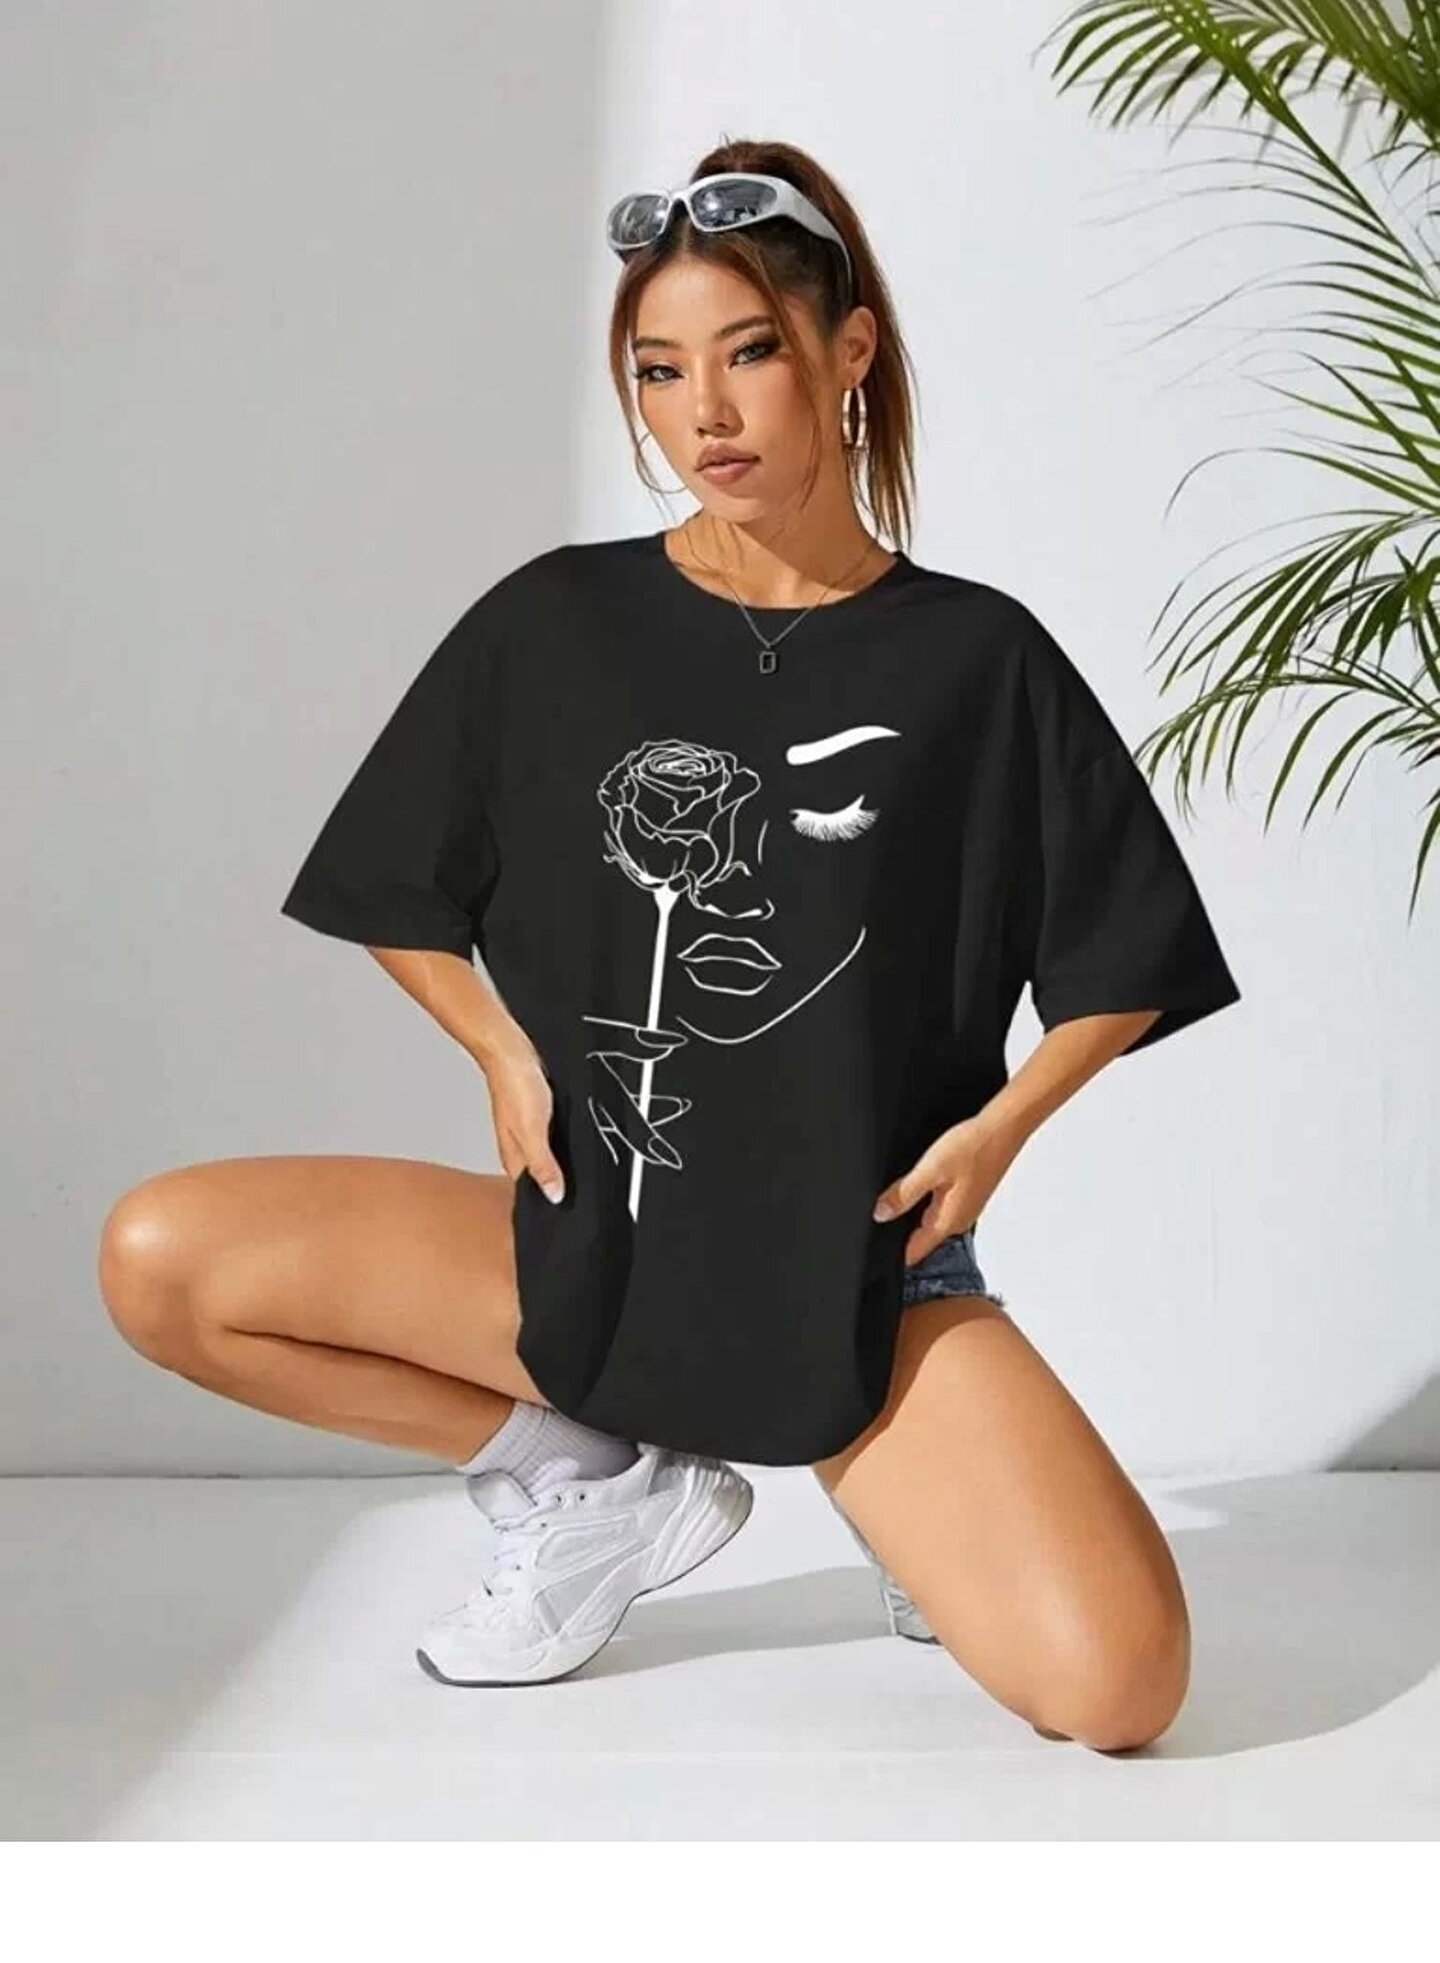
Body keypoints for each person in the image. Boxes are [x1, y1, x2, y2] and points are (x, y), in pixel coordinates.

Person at [98, 138, 1241, 1746]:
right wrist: (499, 1051)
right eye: (659, 369)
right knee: (162, 1263)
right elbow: (397, 885)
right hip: (597, 1260)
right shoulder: (553, 625)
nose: (705, 411)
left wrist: (1000, 1132)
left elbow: (1124, 952)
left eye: (750, 352)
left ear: (849, 351)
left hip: (860, 1289)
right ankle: (596, 1476)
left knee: (1120, 1689)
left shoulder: (976, 659)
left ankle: (894, 1486)